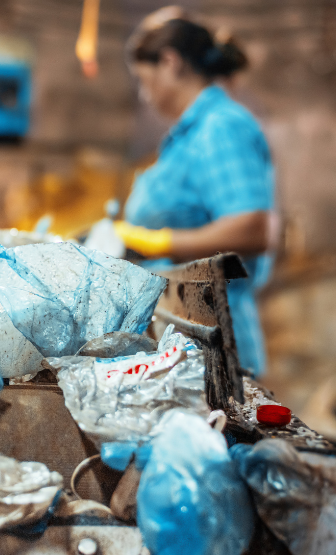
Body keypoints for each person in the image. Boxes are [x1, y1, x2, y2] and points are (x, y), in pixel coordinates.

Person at [115, 8, 276, 376]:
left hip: (216, 339)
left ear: (170, 63)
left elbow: (252, 228)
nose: (144, 95)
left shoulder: (220, 126)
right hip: (188, 334)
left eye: (144, 80)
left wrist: (158, 242)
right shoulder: (189, 134)